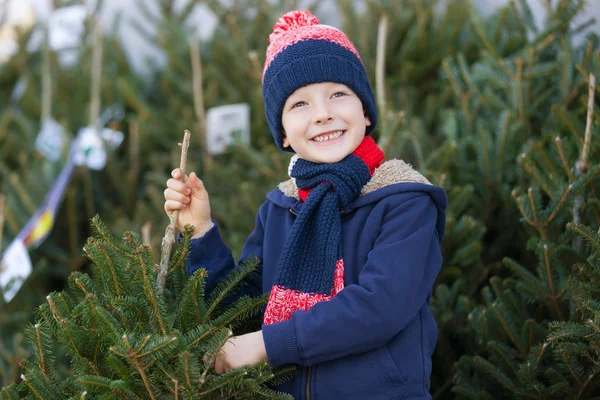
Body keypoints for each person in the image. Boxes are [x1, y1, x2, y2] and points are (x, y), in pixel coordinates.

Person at [164, 9, 446, 400]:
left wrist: (265, 346)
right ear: (282, 134)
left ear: (365, 111)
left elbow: (379, 307)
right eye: (300, 104)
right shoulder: (281, 208)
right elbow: (244, 311)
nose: (323, 114)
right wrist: (200, 233)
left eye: (338, 94)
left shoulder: (404, 201)